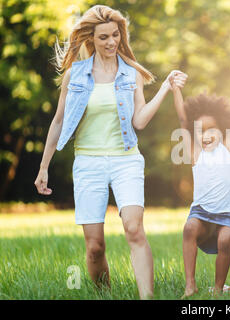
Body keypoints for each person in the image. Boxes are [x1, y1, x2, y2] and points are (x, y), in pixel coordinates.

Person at [33, 5, 187, 299]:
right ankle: (105, 295)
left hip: (126, 159)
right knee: (94, 247)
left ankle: (148, 297)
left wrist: (165, 87)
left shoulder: (131, 75)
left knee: (134, 229)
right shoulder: (75, 75)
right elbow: (58, 121)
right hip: (88, 162)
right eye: (104, 37)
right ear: (91, 39)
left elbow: (139, 120)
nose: (111, 42)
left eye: (115, 35)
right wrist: (44, 167)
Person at [171, 62, 230, 298]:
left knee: (225, 240)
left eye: (211, 129)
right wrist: (176, 90)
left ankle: (218, 290)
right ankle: (190, 285)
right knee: (189, 228)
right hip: (202, 212)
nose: (206, 135)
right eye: (200, 131)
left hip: (227, 213)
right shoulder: (195, 154)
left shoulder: (229, 148)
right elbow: (182, 120)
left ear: (221, 130)